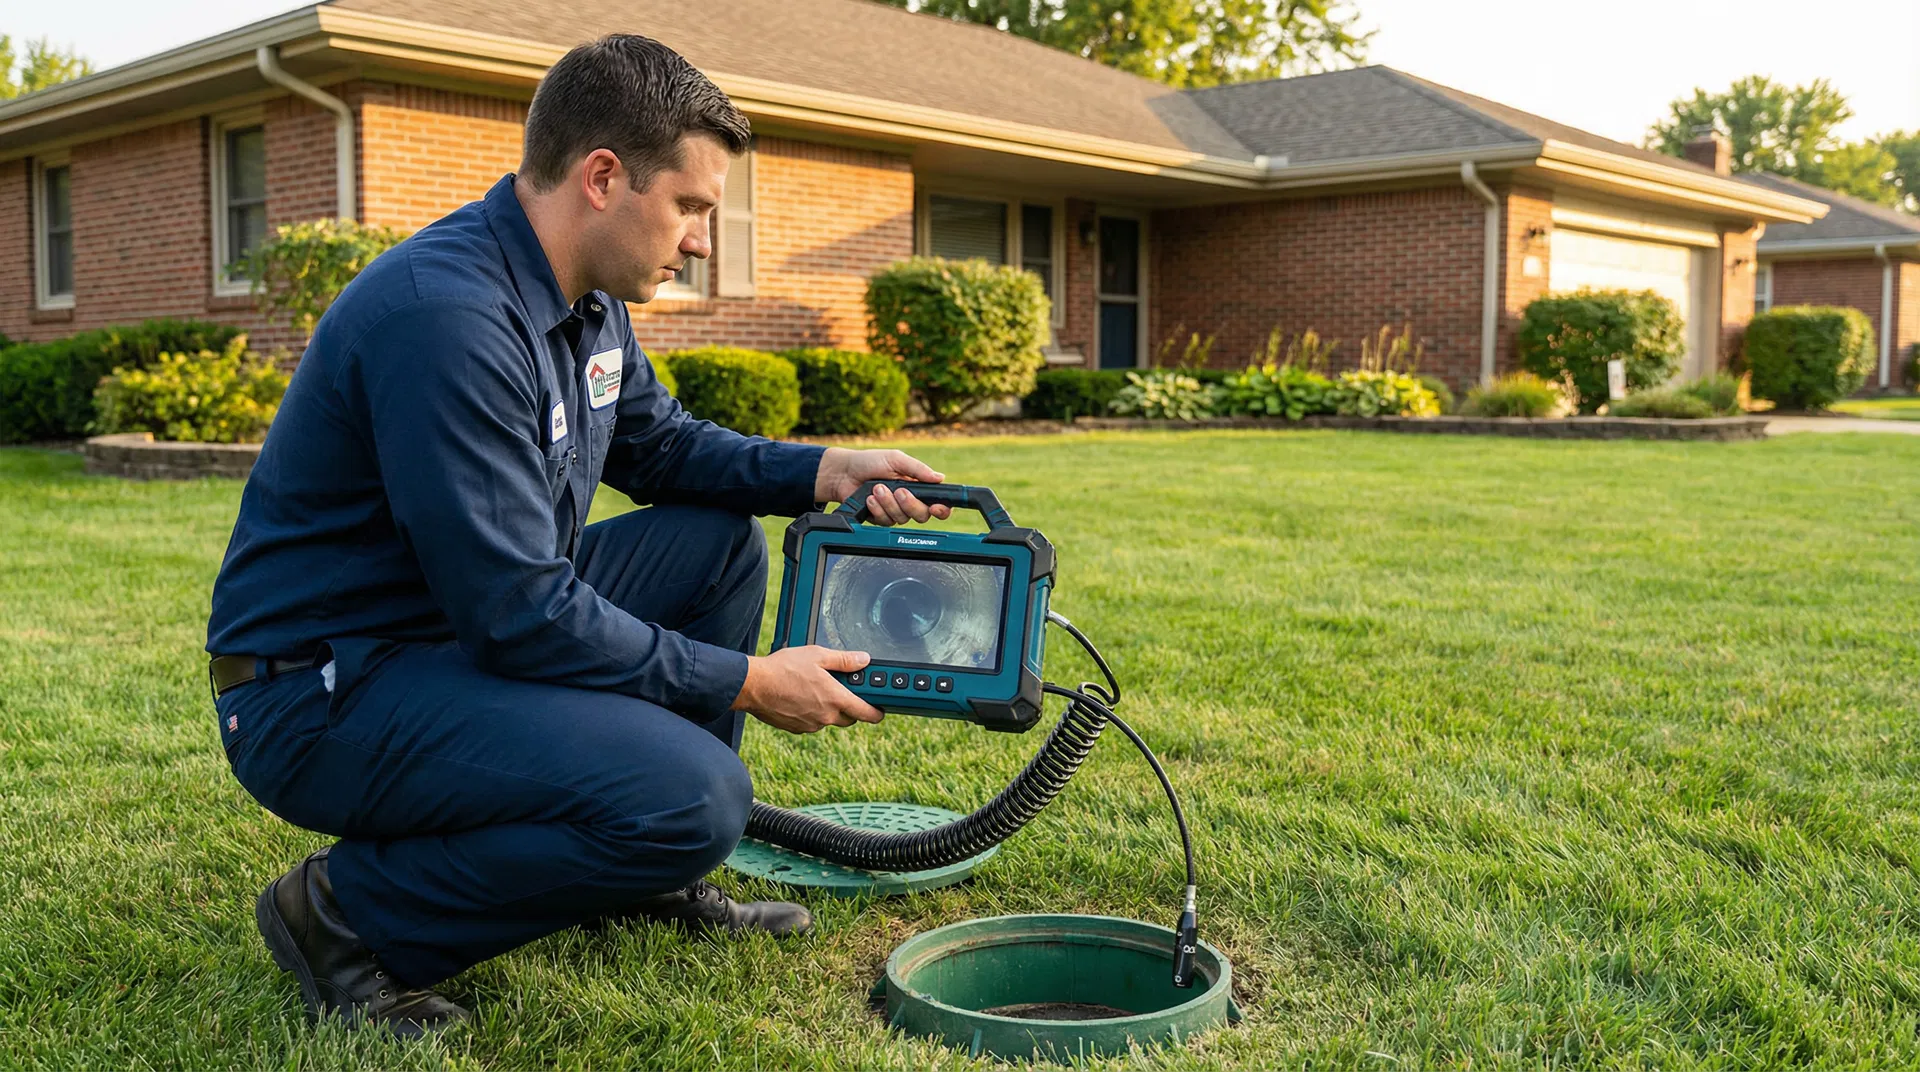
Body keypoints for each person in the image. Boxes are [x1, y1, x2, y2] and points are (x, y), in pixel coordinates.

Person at [206, 33, 952, 1036]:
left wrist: (825, 469)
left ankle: (652, 876)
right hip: (323, 688)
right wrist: (746, 680)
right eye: (690, 205)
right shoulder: (448, 321)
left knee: (717, 544)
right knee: (697, 794)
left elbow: (664, 446)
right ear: (604, 177)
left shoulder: (586, 304)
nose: (698, 239)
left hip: (452, 628)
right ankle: (345, 916)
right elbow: (520, 615)